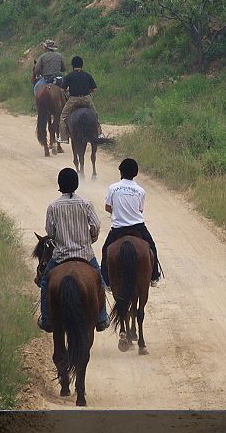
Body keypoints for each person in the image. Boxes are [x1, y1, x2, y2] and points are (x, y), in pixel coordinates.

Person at [38, 167, 109, 333]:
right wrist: (90, 239)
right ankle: (101, 318)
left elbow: (50, 232)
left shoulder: (53, 207)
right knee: (100, 280)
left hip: (61, 257)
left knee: (45, 282)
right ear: (76, 184)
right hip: (85, 254)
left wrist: (59, 239)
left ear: (60, 185)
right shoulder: (86, 203)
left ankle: (47, 319)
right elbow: (96, 225)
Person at [101, 158, 161, 289]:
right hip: (138, 226)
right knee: (152, 247)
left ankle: (107, 282)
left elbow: (107, 207)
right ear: (135, 173)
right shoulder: (140, 190)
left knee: (105, 250)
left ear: (121, 172)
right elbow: (140, 209)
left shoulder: (113, 188)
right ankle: (154, 276)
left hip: (118, 228)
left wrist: (116, 211)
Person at [57, 56, 103, 143]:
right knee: (95, 115)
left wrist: (68, 90)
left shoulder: (69, 76)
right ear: (82, 65)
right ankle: (99, 133)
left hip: (73, 100)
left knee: (63, 117)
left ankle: (63, 138)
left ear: (72, 65)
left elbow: (62, 90)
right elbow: (94, 89)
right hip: (86, 99)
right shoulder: (87, 75)